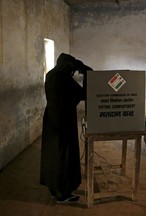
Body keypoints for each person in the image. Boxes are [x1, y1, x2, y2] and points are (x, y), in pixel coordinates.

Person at [40, 53, 92, 203]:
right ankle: (63, 194)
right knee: (64, 156)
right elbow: (83, 94)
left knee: (52, 155)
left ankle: (53, 189)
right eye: (72, 70)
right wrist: (87, 72)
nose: (73, 73)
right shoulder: (63, 79)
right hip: (63, 122)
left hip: (51, 119)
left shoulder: (51, 75)